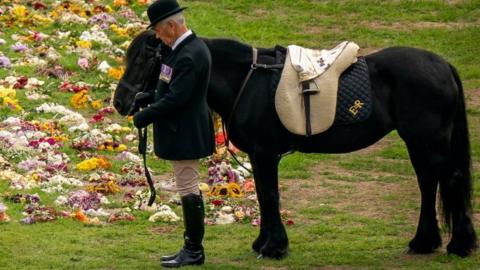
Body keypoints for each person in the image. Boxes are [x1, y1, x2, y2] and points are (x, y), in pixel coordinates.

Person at [132, 0, 215, 267]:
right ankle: (191, 247)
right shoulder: (180, 51)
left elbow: (177, 99)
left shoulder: (190, 55)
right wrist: (149, 96)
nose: (157, 36)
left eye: (157, 30)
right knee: (186, 186)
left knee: (189, 188)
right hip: (181, 129)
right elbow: (169, 87)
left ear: (171, 25)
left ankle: (193, 249)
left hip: (186, 131)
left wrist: (145, 115)